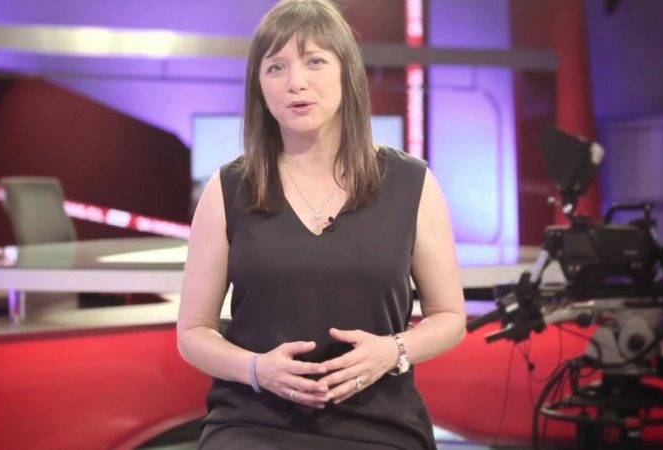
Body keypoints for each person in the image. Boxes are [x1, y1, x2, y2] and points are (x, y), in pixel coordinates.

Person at [177, 0, 466, 448]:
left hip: (379, 426)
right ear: (259, 86)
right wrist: (257, 369)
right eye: (276, 67)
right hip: (254, 423)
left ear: (347, 73)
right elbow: (193, 332)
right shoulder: (228, 188)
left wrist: (392, 350)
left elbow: (449, 317)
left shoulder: (411, 183)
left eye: (314, 61)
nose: (296, 82)